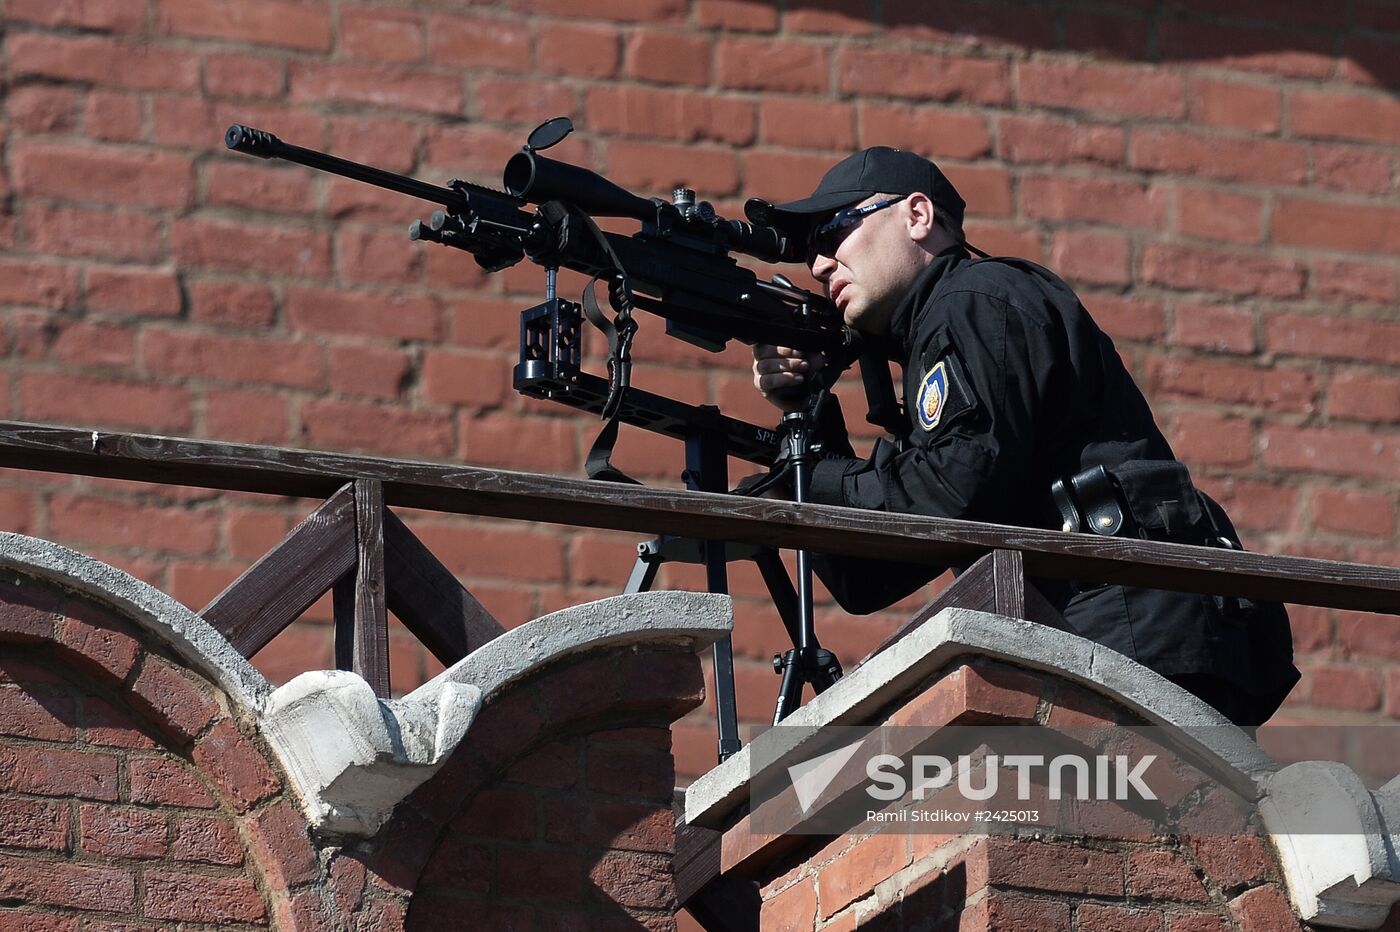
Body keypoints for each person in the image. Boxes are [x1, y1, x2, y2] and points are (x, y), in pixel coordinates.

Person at [744, 147, 1299, 727]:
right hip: (1107, 629)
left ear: (916, 216)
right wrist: (809, 424)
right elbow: (869, 578)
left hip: (1123, 626)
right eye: (811, 252)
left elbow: (954, 494)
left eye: (835, 230)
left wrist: (807, 480)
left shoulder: (974, 300)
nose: (819, 264)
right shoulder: (947, 330)